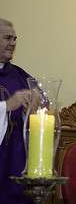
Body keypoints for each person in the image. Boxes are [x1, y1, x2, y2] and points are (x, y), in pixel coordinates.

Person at [0, 18, 34, 203]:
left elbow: (42, 107)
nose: (13, 43)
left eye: (15, 38)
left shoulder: (20, 76)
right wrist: (7, 106)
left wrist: (34, 107)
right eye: (7, 38)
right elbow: (10, 105)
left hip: (16, 163)